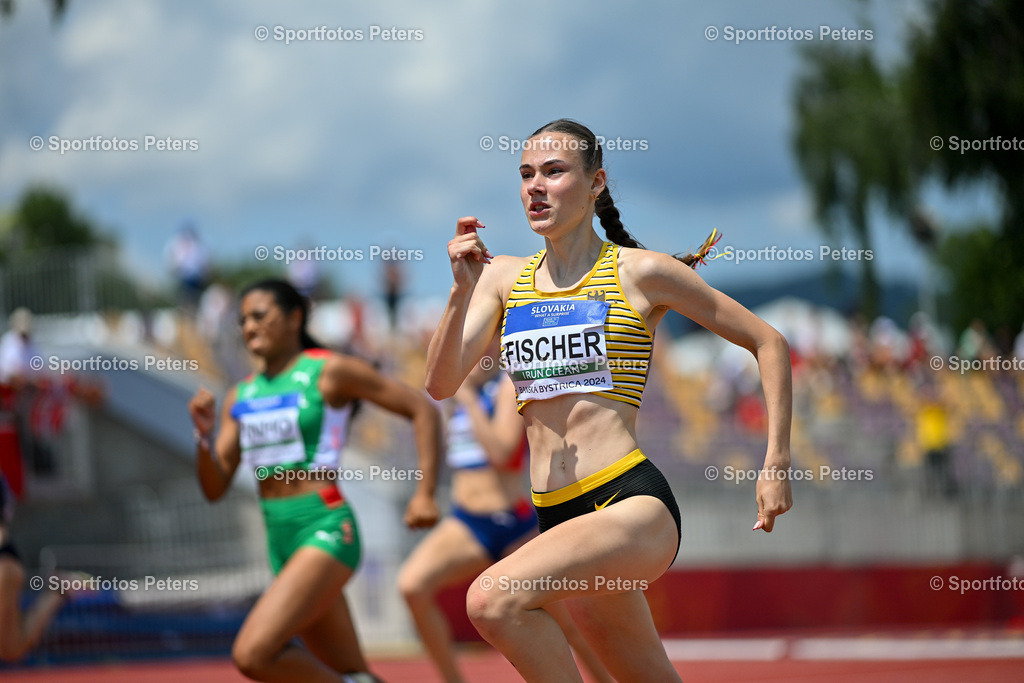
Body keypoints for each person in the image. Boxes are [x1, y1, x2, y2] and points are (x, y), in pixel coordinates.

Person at [425, 119, 793, 681]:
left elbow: (768, 342)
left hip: (629, 504)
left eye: (553, 171)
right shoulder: (502, 278)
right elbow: (441, 382)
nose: (535, 186)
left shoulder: (640, 273)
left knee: (491, 600)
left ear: (596, 182)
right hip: (556, 513)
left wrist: (775, 465)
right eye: (526, 174)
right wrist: (459, 290)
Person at [188, 279, 442, 683]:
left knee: (253, 654)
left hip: (324, 528)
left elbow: (421, 410)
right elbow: (215, 488)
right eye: (241, 321)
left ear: (294, 318)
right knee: (353, 671)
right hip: (279, 537)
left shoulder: (328, 370)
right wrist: (202, 437)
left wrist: (425, 493)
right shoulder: (240, 396)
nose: (248, 327)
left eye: (259, 316)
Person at [398, 343, 613, 683]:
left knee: (568, 622)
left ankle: (606, 678)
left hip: (515, 523)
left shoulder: (506, 385)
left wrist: (468, 401)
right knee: (412, 587)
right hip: (468, 523)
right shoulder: (454, 395)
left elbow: (500, 451)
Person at [0, 473, 84, 662]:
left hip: (5, 563)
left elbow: (10, 649)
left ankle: (56, 592)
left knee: (9, 646)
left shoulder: (6, 568)